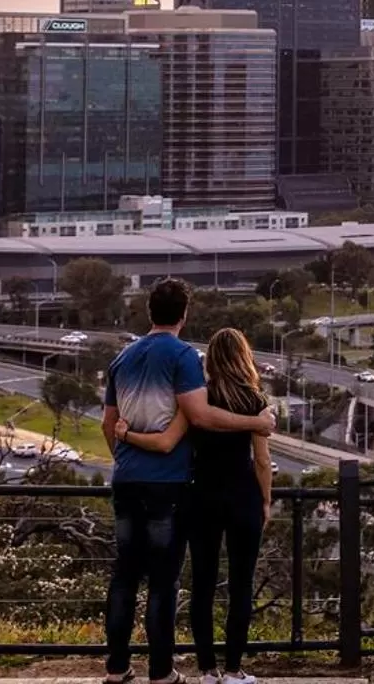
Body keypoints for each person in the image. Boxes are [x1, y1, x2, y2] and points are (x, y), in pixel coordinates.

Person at [102, 279, 274, 684]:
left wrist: (126, 457)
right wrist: (257, 422)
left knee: (125, 575)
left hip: (127, 481)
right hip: (168, 485)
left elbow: (109, 424)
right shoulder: (182, 357)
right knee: (164, 579)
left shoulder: (122, 358)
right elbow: (197, 417)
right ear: (184, 314)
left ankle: (117, 668)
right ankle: (162, 672)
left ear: (149, 311)